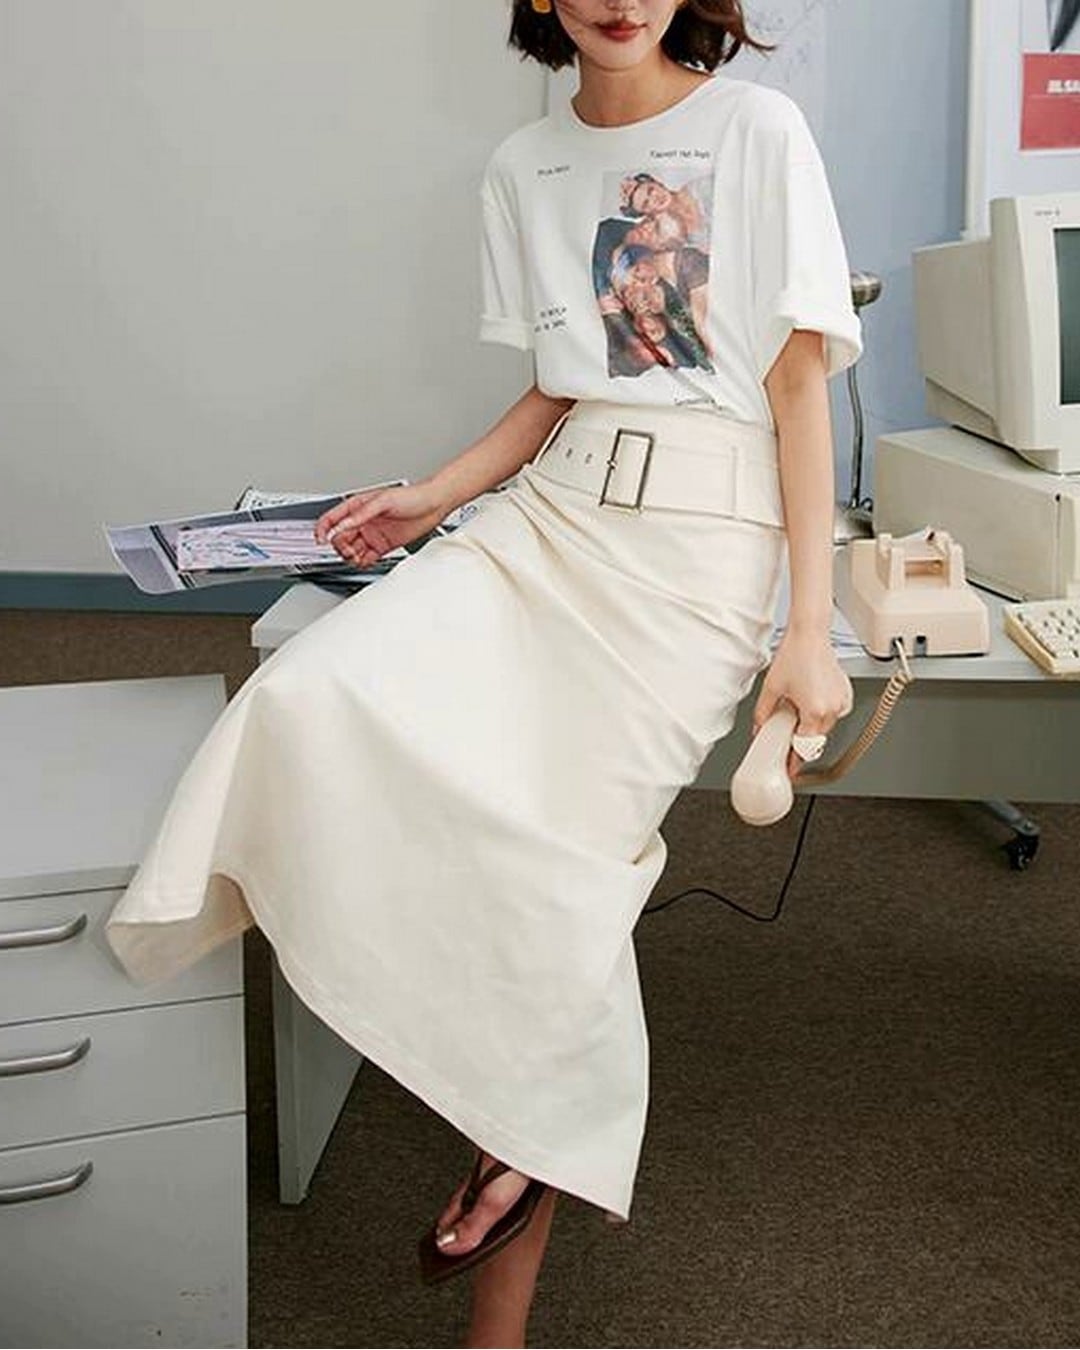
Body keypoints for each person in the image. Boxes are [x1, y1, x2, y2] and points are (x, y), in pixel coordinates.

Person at [106, 1, 862, 1345]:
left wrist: (810, 623)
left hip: (698, 554)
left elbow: (797, 386)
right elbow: (565, 384)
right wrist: (430, 496)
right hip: (550, 516)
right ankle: (498, 1103)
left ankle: (506, 1236)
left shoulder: (758, 130)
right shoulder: (527, 161)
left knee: (557, 881)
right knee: (310, 695)